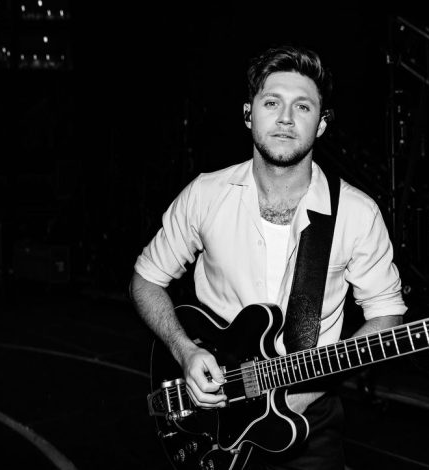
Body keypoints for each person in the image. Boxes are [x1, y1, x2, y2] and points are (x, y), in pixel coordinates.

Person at [130, 45, 406, 470]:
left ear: (322, 123)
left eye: (303, 106)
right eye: (272, 102)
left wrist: (303, 393)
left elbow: (387, 314)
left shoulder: (357, 213)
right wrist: (184, 351)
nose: (285, 118)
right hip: (210, 408)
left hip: (307, 418)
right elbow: (146, 279)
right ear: (248, 114)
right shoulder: (205, 195)